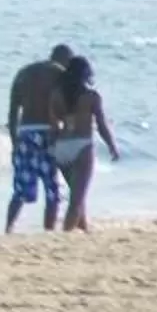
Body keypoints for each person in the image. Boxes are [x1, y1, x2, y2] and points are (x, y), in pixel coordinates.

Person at [3, 42, 75, 234]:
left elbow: (12, 113)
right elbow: (67, 111)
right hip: (48, 133)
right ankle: (48, 230)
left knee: (21, 188)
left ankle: (9, 227)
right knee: (52, 189)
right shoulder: (61, 74)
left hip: (25, 132)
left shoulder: (24, 73)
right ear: (66, 60)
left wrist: (14, 142)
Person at [47, 53, 121, 232]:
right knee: (76, 199)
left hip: (62, 148)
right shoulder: (92, 97)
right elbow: (101, 125)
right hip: (83, 146)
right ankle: (66, 234)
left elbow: (53, 124)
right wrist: (112, 146)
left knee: (77, 194)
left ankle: (83, 227)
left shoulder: (57, 95)